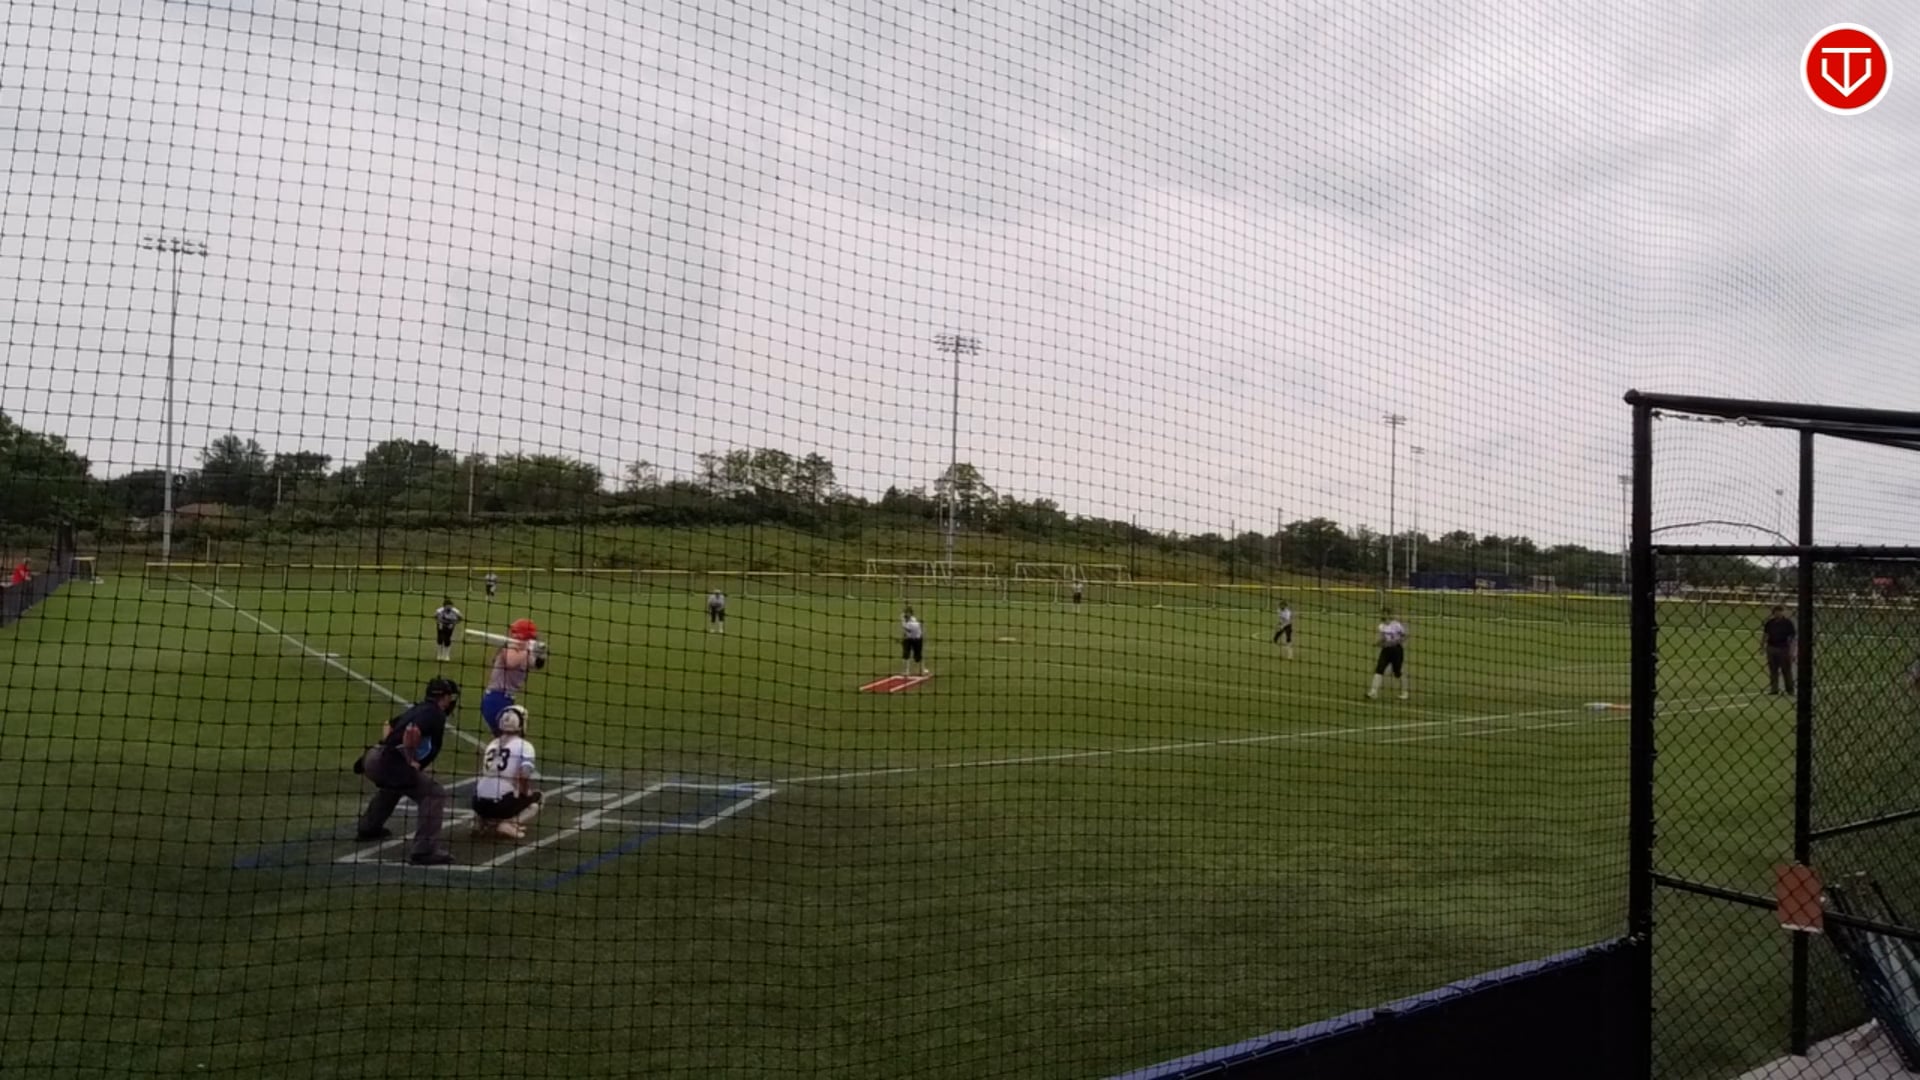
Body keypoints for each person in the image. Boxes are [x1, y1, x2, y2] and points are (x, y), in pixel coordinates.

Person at [353, 677, 460, 865]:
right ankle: (424, 851)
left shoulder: (420, 708)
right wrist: (410, 760)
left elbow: (389, 724)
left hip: (374, 756)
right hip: (386, 761)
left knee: (396, 785)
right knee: (434, 793)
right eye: (450, 696)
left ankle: (369, 827)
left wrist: (389, 750)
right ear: (444, 697)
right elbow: (412, 731)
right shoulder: (435, 714)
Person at [472, 704, 543, 840]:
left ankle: (480, 821)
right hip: (500, 804)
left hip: (477, 802)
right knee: (537, 799)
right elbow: (524, 775)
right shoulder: (525, 746)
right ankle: (508, 823)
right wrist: (525, 792)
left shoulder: (492, 744)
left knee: (493, 789)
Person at [480, 618, 543, 736]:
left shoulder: (525, 651)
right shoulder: (508, 647)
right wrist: (529, 649)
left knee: (505, 739)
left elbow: (537, 665)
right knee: (511, 738)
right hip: (496, 699)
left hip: (507, 699)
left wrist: (541, 653)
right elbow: (511, 662)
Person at [1367, 609, 1408, 701]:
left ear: (1389, 615)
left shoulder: (1396, 625)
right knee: (1379, 669)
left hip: (1397, 651)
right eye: (1382, 614)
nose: (1383, 615)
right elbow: (1383, 638)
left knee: (1397, 672)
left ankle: (1404, 692)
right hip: (1386, 651)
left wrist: (1395, 642)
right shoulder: (1381, 626)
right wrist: (1377, 643)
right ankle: (1373, 692)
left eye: (1384, 614)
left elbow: (1405, 636)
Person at [1762, 605, 1797, 696]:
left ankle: (1790, 689)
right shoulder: (1770, 623)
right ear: (1773, 613)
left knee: (1786, 670)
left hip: (1783, 648)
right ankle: (1774, 688)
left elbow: (1792, 638)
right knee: (1773, 670)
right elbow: (1765, 635)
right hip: (1771, 647)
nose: (1778, 613)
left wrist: (1792, 651)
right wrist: (1762, 646)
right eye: (1776, 612)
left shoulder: (1787, 623)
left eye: (1780, 612)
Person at [900, 605, 929, 677]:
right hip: (908, 638)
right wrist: (904, 637)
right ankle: (906, 671)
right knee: (906, 654)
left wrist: (905, 633)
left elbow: (909, 630)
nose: (906, 614)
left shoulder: (913, 621)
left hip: (917, 638)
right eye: (906, 612)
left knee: (917, 657)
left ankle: (922, 670)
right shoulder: (903, 617)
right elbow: (905, 630)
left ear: (911, 613)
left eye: (908, 612)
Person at [433, 598, 463, 663]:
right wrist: (439, 622)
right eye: (448, 606)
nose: (449, 607)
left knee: (447, 639)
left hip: (450, 626)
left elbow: (461, 618)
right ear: (444, 606)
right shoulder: (440, 610)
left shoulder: (455, 611)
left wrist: (454, 623)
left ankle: (446, 655)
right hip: (441, 625)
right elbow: (434, 616)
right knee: (440, 639)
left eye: (450, 606)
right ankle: (439, 655)